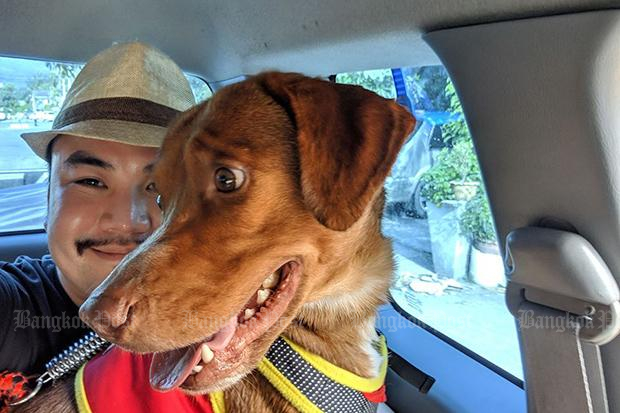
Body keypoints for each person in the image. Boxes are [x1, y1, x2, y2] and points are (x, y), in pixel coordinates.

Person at [0, 41, 196, 378]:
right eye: (91, 182)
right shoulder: (12, 308)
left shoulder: (241, 321)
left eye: (160, 187)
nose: (126, 220)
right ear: (47, 202)